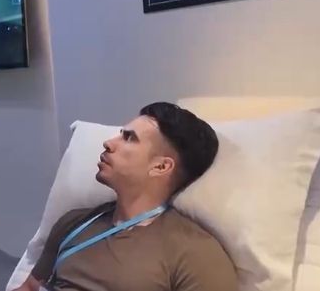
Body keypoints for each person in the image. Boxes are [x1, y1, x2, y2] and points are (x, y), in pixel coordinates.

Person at [12, 102, 238, 291]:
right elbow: (30, 287)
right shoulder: (73, 223)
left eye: (129, 138)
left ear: (161, 166)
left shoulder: (194, 253)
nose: (108, 143)